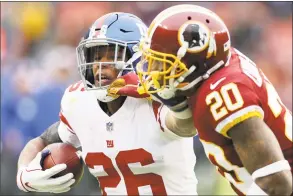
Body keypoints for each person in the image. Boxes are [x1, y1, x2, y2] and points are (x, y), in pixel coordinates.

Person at [108, 5, 293, 196]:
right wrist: (177, 104)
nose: (153, 69)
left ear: (193, 64)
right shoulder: (214, 68)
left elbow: (276, 183)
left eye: (163, 62)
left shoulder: (224, 93)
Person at [16, 12, 198, 195]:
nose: (99, 65)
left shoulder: (156, 98)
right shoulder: (79, 101)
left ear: (136, 58)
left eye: (111, 54)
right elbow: (42, 141)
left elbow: (185, 126)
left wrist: (177, 104)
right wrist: (23, 174)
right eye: (95, 56)